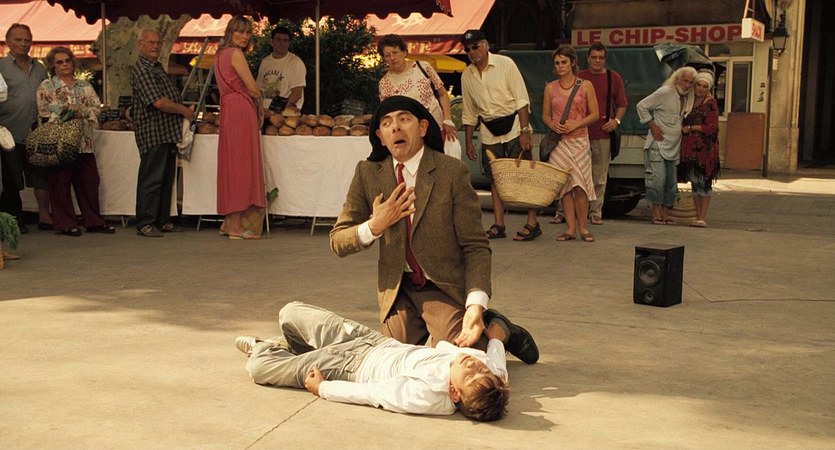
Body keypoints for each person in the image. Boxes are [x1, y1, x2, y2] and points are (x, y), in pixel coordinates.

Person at [329, 95, 538, 364]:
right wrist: (374, 226)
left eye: (404, 119)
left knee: (461, 366)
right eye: (387, 123)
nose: (396, 127)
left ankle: (497, 328)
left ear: (423, 127)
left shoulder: (452, 172)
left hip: (443, 288)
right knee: (391, 366)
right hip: (399, 290)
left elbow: (475, 247)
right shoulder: (367, 173)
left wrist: (475, 304)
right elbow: (338, 240)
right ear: (380, 136)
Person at [236, 301, 512, 421]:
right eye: (482, 369)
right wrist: (497, 338)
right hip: (371, 341)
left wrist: (323, 388)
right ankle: (292, 349)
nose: (474, 365)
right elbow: (498, 367)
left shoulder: (424, 396)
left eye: (470, 376)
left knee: (259, 369)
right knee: (289, 313)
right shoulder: (487, 370)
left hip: (349, 365)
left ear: (453, 393)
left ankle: (263, 348)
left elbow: (372, 394)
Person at [460, 30, 540, 242]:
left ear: (485, 45)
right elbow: (469, 112)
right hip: (488, 129)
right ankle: (499, 223)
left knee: (523, 175)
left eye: (475, 47)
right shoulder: (467, 75)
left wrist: (525, 131)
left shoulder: (505, 64)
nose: (472, 52)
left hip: (514, 125)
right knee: (495, 177)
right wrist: (468, 141)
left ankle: (532, 222)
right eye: (467, 49)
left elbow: (521, 99)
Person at [36, 47, 115, 237]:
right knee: (60, 183)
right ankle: (65, 224)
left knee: (90, 182)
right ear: (53, 66)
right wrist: (67, 111)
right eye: (59, 62)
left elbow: (96, 108)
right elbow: (43, 109)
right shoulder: (47, 86)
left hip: (84, 142)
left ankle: (93, 222)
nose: (64, 65)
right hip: (60, 142)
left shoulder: (84, 85)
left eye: (67, 60)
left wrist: (83, 112)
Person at [553, 43, 627, 226]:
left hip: (602, 133)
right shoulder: (578, 78)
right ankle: (562, 212)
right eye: (594, 57)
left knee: (599, 176)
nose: (597, 61)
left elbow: (622, 104)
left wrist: (616, 121)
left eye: (601, 57)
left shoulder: (613, 77)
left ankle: (595, 212)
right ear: (587, 58)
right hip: (575, 135)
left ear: (605, 59)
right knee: (569, 175)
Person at [130, 28, 194, 237]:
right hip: (153, 131)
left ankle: (162, 220)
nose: (155, 46)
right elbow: (158, 102)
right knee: (152, 179)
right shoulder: (142, 69)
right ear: (140, 45)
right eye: (150, 43)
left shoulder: (156, 66)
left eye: (158, 43)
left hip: (167, 131)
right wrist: (184, 111)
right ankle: (145, 222)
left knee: (166, 179)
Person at [214, 16, 266, 240]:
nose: (245, 36)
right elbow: (253, 88)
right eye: (240, 32)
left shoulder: (219, 54)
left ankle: (228, 221)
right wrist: (260, 101)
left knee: (230, 164)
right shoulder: (235, 54)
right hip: (241, 109)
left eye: (248, 32)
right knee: (241, 165)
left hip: (228, 108)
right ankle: (235, 225)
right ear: (231, 32)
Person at [542, 46, 599, 243]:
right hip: (559, 144)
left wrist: (576, 124)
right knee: (565, 186)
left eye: (564, 62)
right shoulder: (550, 88)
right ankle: (570, 228)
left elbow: (595, 114)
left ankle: (583, 227)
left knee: (580, 185)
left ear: (573, 62)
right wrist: (553, 125)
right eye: (557, 63)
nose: (560, 66)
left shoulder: (585, 85)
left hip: (580, 140)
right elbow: (545, 116)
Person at [0, 23, 51, 234]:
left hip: (37, 132)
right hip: (9, 132)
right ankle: (15, 220)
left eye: (27, 40)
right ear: (7, 42)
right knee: (11, 179)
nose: (23, 44)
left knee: (41, 177)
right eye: (18, 39)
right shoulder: (1, 67)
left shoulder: (39, 67)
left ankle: (45, 216)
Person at [636, 66, 696, 225]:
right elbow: (641, 105)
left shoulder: (687, 97)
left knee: (670, 183)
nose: (687, 85)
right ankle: (656, 215)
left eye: (690, 82)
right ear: (677, 79)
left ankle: (666, 214)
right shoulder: (665, 92)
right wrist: (652, 125)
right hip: (658, 145)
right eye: (685, 81)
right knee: (658, 181)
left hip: (674, 147)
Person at [377, 34, 457, 144]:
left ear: (404, 52)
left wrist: (447, 119)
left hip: (436, 127)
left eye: (395, 52)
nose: (392, 58)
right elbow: (388, 114)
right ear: (383, 59)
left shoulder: (423, 67)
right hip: (409, 136)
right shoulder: (384, 83)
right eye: (387, 55)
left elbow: (443, 94)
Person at [678, 70, 720, 228]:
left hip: (704, 151)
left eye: (704, 86)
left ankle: (703, 217)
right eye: (698, 85)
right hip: (689, 150)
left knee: (704, 183)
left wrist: (691, 128)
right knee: (695, 183)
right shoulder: (689, 101)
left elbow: (712, 128)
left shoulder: (710, 103)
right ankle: (697, 216)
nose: (701, 89)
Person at [256, 26, 306, 110]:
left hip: (283, 114)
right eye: (278, 39)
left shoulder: (295, 62)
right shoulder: (265, 62)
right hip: (264, 112)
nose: (281, 43)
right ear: (271, 42)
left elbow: (297, 93)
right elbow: (259, 89)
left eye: (285, 40)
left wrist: (280, 112)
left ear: (289, 43)